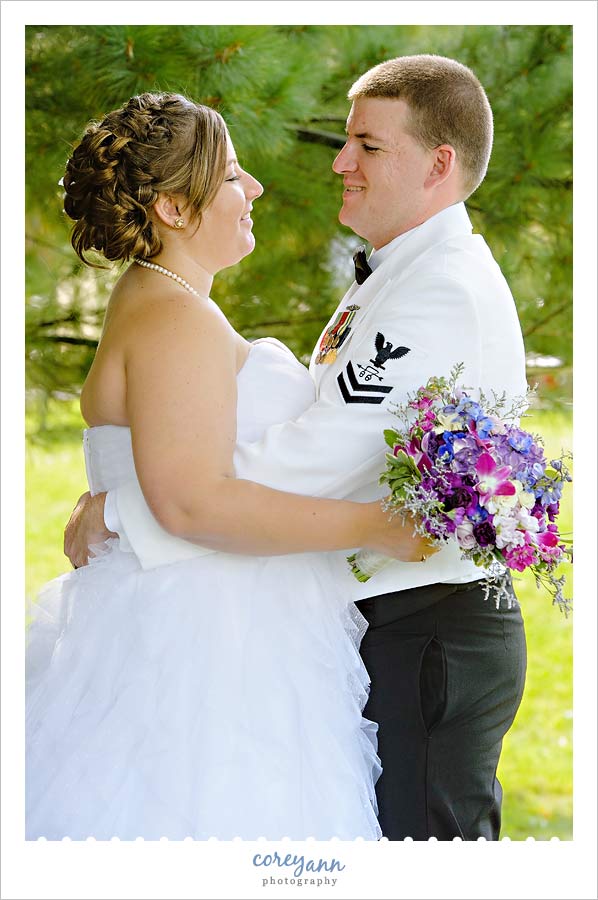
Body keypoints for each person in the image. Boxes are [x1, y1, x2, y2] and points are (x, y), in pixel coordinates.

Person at [66, 55, 529, 841]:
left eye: (368, 146)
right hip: (366, 618)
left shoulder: (437, 286)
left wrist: (126, 511)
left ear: (439, 164)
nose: (339, 162)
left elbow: (311, 455)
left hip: (431, 628)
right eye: (346, 140)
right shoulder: (393, 276)